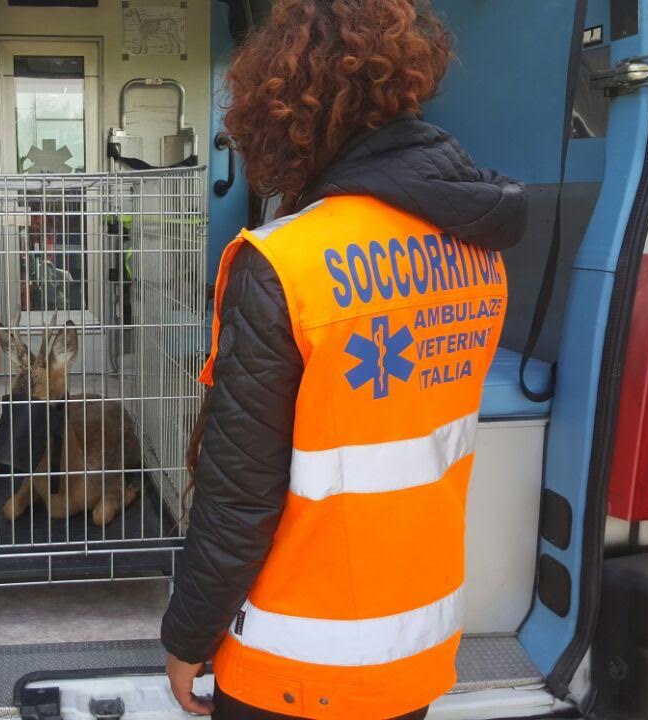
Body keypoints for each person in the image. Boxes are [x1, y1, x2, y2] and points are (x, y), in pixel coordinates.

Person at [161, 1, 528, 718]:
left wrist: (188, 634)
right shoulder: (480, 255)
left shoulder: (286, 263)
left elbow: (240, 498)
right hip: (413, 649)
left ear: (284, 111)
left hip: (294, 664)